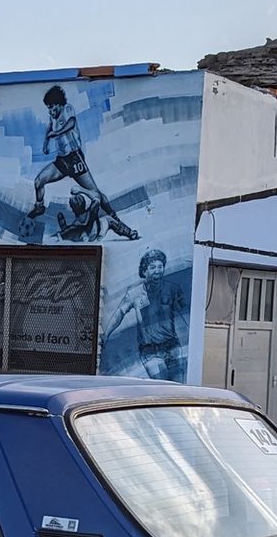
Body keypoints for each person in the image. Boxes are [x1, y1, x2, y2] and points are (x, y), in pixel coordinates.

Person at [24, 85, 138, 240]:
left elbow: (71, 123)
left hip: (75, 158)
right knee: (38, 181)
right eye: (48, 108)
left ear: (58, 104)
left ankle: (114, 217)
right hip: (62, 160)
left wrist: (56, 133)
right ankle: (39, 207)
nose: (50, 111)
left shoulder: (67, 109)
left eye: (51, 107)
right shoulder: (53, 116)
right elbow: (50, 127)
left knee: (96, 193)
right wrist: (46, 142)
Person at [107, 249, 187, 381]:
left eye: (160, 266)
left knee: (177, 386)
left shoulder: (173, 289)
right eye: (153, 267)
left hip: (172, 346)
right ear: (144, 271)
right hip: (150, 350)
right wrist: (105, 335)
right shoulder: (134, 293)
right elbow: (119, 313)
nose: (158, 270)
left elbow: (184, 310)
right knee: (160, 386)